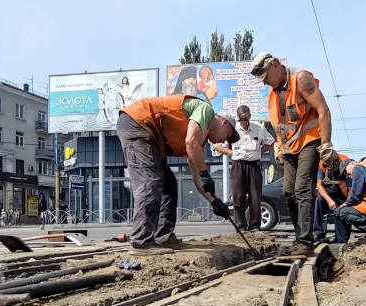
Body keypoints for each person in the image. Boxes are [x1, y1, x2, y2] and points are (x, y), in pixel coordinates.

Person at [117, 94, 240, 255]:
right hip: (139, 123)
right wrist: (205, 173)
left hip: (152, 137)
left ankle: (163, 237)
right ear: (225, 123)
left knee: (169, 185)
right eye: (227, 136)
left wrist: (214, 201)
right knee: (150, 181)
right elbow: (190, 142)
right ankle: (141, 242)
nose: (223, 142)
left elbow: (197, 176)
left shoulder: (201, 140)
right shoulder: (206, 110)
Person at [250, 52, 336, 255]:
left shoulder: (301, 79)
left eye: (265, 77)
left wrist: (326, 145)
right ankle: (300, 238)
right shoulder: (273, 91)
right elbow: (280, 125)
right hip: (289, 147)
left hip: (309, 142)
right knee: (288, 192)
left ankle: (305, 243)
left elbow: (323, 111)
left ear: (275, 66)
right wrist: (279, 147)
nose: (264, 84)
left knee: (302, 189)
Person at [213, 105, 274, 232]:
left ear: (250, 117)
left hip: (253, 165)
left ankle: (255, 226)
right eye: (241, 119)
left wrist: (259, 151)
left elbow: (270, 142)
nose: (244, 122)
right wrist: (231, 153)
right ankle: (240, 226)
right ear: (238, 119)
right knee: (238, 196)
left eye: (246, 119)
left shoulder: (258, 127)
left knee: (255, 197)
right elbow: (217, 146)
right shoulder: (232, 128)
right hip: (237, 165)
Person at [313, 154, 351, 241]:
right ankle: (318, 233)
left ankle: (341, 239)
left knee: (343, 210)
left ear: (338, 164)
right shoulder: (322, 164)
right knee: (319, 200)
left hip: (343, 192)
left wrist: (347, 203)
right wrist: (329, 200)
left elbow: (351, 187)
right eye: (328, 169)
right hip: (328, 190)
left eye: (332, 168)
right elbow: (319, 185)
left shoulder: (346, 163)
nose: (331, 170)